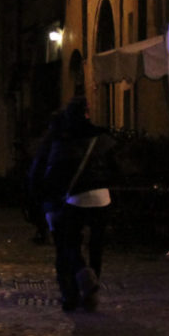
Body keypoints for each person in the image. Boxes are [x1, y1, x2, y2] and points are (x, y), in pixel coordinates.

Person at [39, 96, 116, 311]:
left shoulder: (65, 138)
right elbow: (114, 166)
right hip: (103, 197)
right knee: (96, 247)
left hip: (76, 197)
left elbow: (53, 172)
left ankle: (83, 278)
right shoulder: (101, 137)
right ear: (87, 113)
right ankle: (92, 292)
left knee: (69, 243)